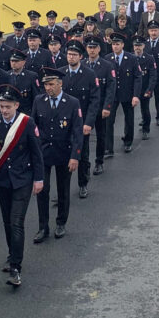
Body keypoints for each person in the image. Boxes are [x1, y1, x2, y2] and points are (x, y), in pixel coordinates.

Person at [0, 86, 44, 288]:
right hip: (3, 180)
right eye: (1, 106)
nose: (4, 110)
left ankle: (16, 267)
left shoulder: (26, 123)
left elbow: (36, 153)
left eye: (8, 107)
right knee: (7, 221)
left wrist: (39, 179)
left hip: (23, 178)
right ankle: (11, 253)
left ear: (16, 105)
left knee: (16, 222)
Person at [32, 70, 83, 240]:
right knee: (42, 190)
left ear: (60, 84)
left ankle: (61, 222)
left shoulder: (72, 103)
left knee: (63, 190)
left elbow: (77, 132)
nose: (48, 88)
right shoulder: (39, 101)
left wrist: (75, 156)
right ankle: (43, 227)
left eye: (51, 84)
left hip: (64, 152)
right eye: (46, 85)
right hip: (44, 152)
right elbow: (34, 127)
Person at [61, 41, 99, 199]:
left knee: (82, 155)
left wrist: (89, 123)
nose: (71, 57)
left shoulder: (89, 74)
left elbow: (94, 100)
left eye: (74, 55)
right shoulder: (61, 73)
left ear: (81, 57)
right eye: (69, 54)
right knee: (63, 155)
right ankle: (63, 189)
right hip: (63, 123)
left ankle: (83, 183)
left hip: (81, 122)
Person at [83, 36, 116, 173]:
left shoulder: (107, 65)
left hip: (100, 107)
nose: (92, 50)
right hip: (86, 107)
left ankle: (99, 161)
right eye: (89, 47)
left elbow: (110, 88)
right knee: (84, 137)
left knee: (101, 135)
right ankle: (85, 163)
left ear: (99, 49)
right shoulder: (82, 64)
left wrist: (107, 107)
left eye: (94, 47)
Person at [106, 33, 141, 153]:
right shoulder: (107, 59)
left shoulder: (131, 58)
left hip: (127, 93)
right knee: (109, 121)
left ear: (122, 45)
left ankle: (128, 141)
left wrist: (136, 95)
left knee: (129, 119)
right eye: (113, 44)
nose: (115, 46)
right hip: (112, 95)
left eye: (117, 44)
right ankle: (108, 147)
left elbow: (137, 77)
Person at [132, 37, 156, 139]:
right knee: (129, 112)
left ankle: (146, 129)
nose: (137, 48)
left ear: (143, 46)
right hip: (132, 89)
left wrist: (149, 90)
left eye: (139, 45)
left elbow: (153, 76)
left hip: (144, 88)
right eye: (136, 46)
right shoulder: (130, 58)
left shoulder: (149, 58)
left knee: (145, 109)